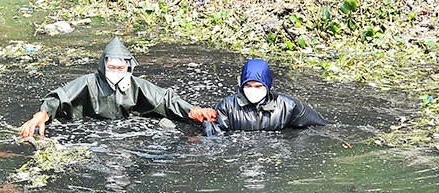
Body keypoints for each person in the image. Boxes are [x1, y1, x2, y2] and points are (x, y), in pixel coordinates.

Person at [19, 37, 216, 137]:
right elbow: (60, 98)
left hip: (126, 133)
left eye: (120, 67)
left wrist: (192, 110)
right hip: (93, 134)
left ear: (128, 67)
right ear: (103, 65)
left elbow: (165, 99)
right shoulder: (89, 82)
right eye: (111, 67)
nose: (116, 71)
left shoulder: (135, 85)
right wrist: (41, 114)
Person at [205, 58, 327, 135]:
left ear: (268, 86)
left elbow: (319, 127)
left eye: (258, 86)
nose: (252, 90)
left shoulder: (288, 106)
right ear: (241, 86)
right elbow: (214, 135)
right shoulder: (227, 106)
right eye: (248, 86)